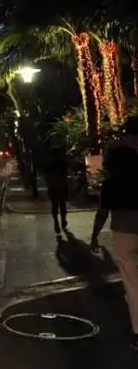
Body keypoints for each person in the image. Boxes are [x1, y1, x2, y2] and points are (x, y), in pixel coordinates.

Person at [91, 115, 138, 352]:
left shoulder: (114, 179)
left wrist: (94, 236)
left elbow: (103, 211)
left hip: (124, 228)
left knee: (132, 281)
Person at [44, 146, 69, 234]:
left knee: (54, 205)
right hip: (62, 186)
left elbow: (45, 174)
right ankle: (63, 221)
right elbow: (67, 172)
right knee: (62, 204)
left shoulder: (49, 164)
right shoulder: (62, 163)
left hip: (52, 187)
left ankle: (56, 223)